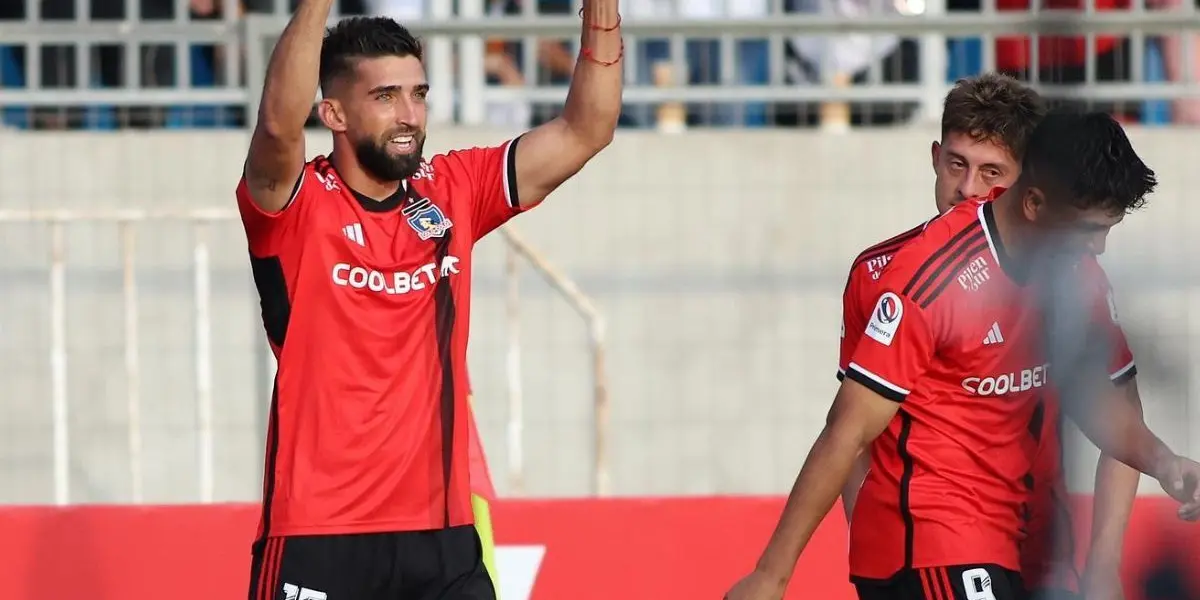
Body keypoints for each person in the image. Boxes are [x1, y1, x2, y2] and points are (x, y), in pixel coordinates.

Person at [725, 108, 1200, 600]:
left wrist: (1165, 463)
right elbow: (848, 430)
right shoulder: (932, 278)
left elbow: (1100, 406)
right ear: (1035, 204)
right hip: (931, 543)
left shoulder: (1073, 272)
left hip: (1019, 543)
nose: (1099, 248)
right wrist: (771, 576)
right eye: (1088, 229)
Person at [235, 0, 622, 597]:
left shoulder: (453, 191)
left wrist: (602, 14)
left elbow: (585, 130)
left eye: (419, 95)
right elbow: (278, 128)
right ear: (332, 112)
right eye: (386, 96)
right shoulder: (295, 205)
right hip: (321, 536)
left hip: (442, 541)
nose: (409, 115)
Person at [836, 73, 1145, 600]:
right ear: (935, 157)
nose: (968, 188)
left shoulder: (1072, 274)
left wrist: (1103, 565)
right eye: (957, 164)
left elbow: (1123, 422)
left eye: (991, 172)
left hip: (1044, 550)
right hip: (943, 550)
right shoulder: (879, 273)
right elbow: (855, 435)